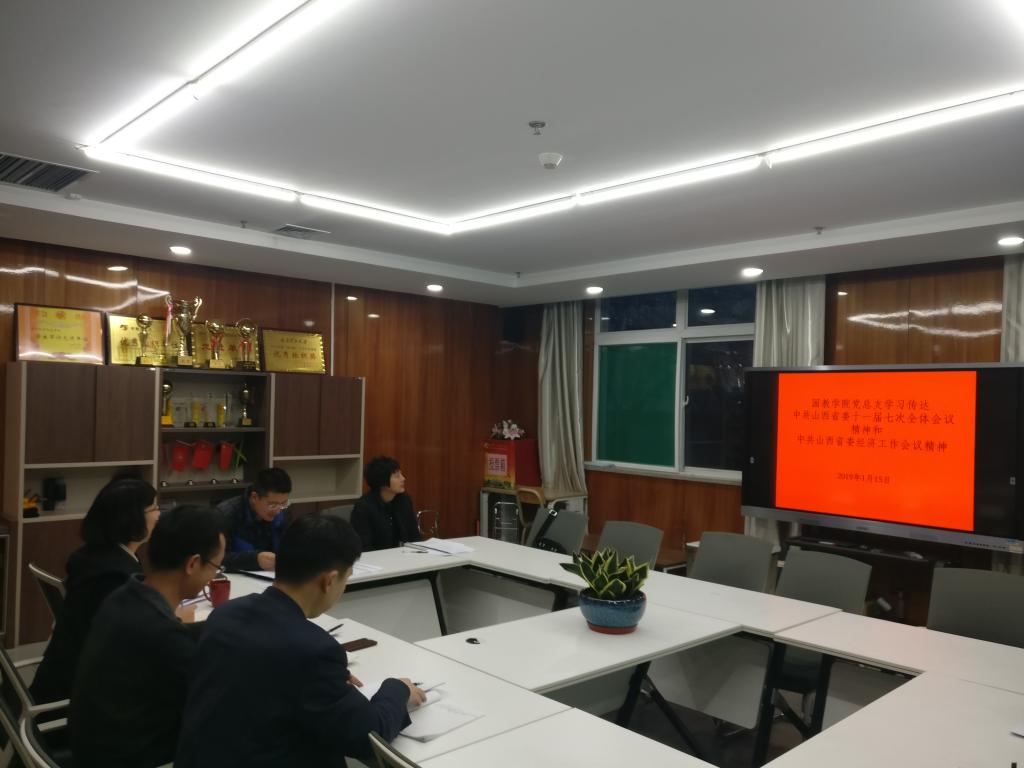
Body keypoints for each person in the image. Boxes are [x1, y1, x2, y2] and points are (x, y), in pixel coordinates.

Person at [176, 515, 424, 768]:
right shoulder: (314, 650)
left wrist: (325, 684)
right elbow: (366, 735)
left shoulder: (226, 613)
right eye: (346, 578)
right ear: (329, 580)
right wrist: (398, 689)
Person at [70, 505, 225, 768]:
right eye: (216, 567)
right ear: (192, 564)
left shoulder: (125, 594)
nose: (213, 576)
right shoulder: (162, 634)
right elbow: (212, 702)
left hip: (92, 744)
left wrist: (217, 626)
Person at [30, 477, 161, 704]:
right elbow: (133, 645)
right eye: (154, 508)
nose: (159, 515)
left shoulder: (92, 556)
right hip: (82, 699)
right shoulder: (115, 577)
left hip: (58, 680)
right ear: (132, 519)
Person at [217, 467, 291, 571]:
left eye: (283, 503)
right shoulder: (225, 514)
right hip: (237, 577)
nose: (278, 511)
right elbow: (216, 559)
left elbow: (290, 547)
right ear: (254, 497)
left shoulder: (283, 512)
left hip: (274, 574)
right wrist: (255, 559)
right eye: (272, 505)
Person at [351, 456, 420, 551]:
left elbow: (414, 536)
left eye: (401, 474)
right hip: (375, 557)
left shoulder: (404, 500)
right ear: (382, 481)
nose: (403, 478)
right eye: (397, 476)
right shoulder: (363, 507)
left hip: (403, 555)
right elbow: (363, 546)